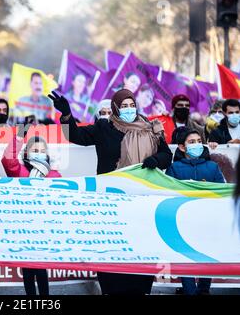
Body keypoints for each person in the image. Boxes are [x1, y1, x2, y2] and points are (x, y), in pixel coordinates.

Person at [50, 89, 172, 295]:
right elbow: (76, 136)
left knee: (141, 246)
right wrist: (67, 115)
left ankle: (141, 288)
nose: (129, 109)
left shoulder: (150, 128)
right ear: (115, 108)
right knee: (112, 244)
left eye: (131, 105)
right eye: (123, 106)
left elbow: (166, 155)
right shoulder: (104, 127)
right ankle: (110, 289)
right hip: (111, 200)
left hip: (142, 200)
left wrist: (156, 160)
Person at [1, 125, 61, 295]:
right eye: (35, 149)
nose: (39, 152)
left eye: (42, 150)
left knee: (41, 269)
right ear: (26, 153)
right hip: (24, 226)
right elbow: (7, 160)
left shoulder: (54, 175)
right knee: (27, 270)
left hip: (43, 227)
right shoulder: (19, 171)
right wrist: (19, 138)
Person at [166, 129, 225, 295]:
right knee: (185, 255)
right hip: (183, 220)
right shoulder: (174, 168)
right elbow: (167, 193)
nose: (197, 144)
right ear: (182, 147)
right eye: (192, 142)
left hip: (207, 219)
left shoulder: (212, 167)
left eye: (199, 140)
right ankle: (190, 291)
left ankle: (204, 290)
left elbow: (222, 191)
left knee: (207, 254)